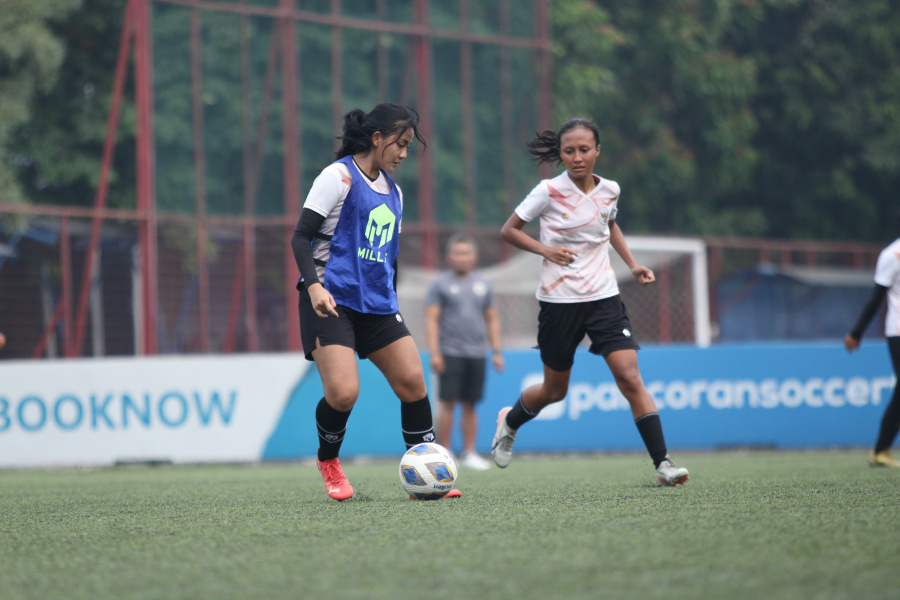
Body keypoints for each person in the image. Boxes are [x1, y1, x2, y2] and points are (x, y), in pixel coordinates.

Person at [492, 117, 690, 486]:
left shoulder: (610, 189)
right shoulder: (548, 191)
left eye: (584, 150)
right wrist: (547, 251)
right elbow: (509, 231)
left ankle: (663, 464)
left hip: (604, 298)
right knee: (554, 391)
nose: (577, 157)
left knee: (630, 377)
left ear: (598, 150)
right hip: (558, 303)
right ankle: (511, 420)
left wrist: (632, 264)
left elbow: (608, 224)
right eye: (569, 151)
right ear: (561, 154)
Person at [290, 102, 461, 501]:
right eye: (400, 145)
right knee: (344, 393)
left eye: (408, 146)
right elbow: (301, 237)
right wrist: (314, 287)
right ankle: (329, 461)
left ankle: (426, 470)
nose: (404, 154)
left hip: (379, 304)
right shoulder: (337, 177)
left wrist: (392, 298)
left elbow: (388, 255)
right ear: (377, 138)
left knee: (414, 383)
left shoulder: (395, 193)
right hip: (331, 299)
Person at [425, 233, 504, 471]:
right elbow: (431, 320)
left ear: (474, 257)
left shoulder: (484, 284)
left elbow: (492, 319)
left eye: (466, 253)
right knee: (447, 403)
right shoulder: (439, 284)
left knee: (471, 403)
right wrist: (435, 352)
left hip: (477, 352)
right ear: (449, 257)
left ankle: (469, 453)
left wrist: (497, 351)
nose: (462, 258)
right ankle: (445, 454)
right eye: (457, 253)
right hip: (450, 351)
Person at [844, 209, 900, 468]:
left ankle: (881, 450)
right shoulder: (892, 255)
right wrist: (857, 332)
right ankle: (880, 450)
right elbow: (876, 298)